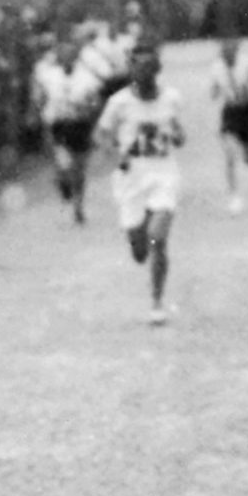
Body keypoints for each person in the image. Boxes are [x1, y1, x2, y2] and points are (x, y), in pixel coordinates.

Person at [97, 41, 186, 326]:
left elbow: (180, 135)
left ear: (158, 68)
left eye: (150, 66)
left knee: (158, 238)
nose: (144, 72)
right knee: (139, 249)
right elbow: (101, 135)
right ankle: (141, 240)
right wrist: (115, 154)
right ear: (131, 69)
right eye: (138, 66)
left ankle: (157, 302)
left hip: (163, 175)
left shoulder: (171, 98)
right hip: (131, 179)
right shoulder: (119, 103)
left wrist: (177, 133)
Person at [35, 38, 102, 224]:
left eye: (71, 56)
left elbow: (96, 101)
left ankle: (78, 205)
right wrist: (42, 112)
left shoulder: (87, 77)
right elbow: (40, 97)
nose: (67, 59)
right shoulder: (49, 76)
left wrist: (87, 107)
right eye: (63, 56)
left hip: (80, 125)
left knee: (79, 169)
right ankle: (64, 183)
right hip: (59, 126)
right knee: (64, 165)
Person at [210, 37, 248, 215]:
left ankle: (247, 149)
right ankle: (234, 196)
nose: (227, 54)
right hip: (231, 112)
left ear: (237, 50)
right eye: (224, 51)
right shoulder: (217, 68)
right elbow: (214, 90)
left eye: (231, 51)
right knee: (229, 155)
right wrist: (217, 92)